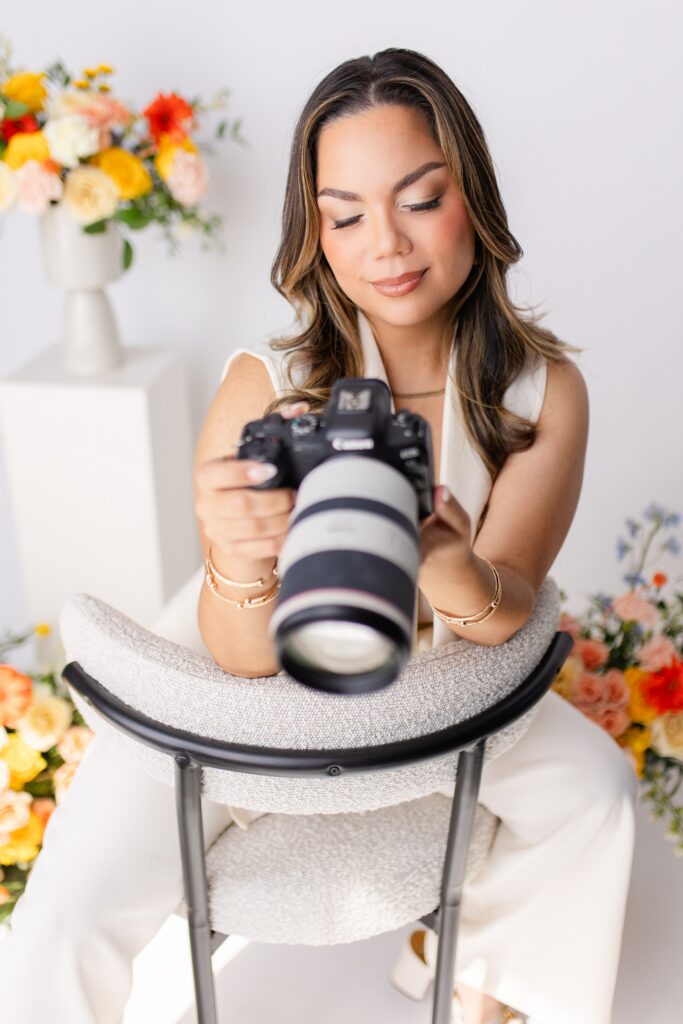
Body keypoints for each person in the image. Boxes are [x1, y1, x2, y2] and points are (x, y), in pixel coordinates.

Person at [0, 47, 636, 1024]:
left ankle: (471, 977)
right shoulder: (269, 382)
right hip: (236, 694)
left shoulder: (538, 391)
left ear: (472, 196)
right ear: (317, 234)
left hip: (438, 685)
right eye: (344, 214)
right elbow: (239, 657)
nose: (384, 243)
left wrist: (447, 561)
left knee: (592, 790)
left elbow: (505, 605)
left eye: (419, 199)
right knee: (69, 908)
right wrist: (240, 558)